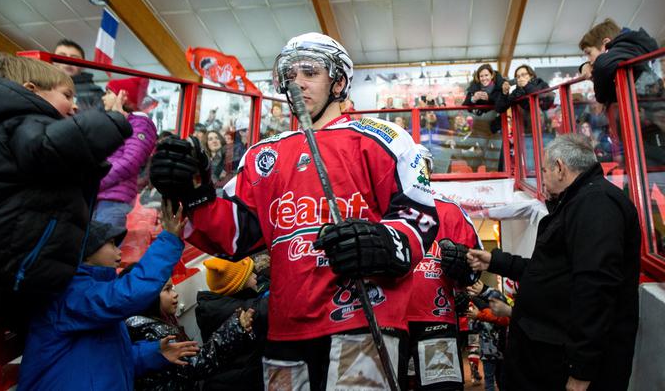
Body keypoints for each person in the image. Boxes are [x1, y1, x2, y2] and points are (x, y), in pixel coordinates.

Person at [149, 32, 439, 390]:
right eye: (289, 75)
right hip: (286, 327)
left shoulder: (382, 137)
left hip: (361, 319)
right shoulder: (262, 155)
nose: (296, 83)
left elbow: (419, 214)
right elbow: (236, 234)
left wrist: (384, 243)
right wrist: (195, 194)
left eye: (310, 72)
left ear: (339, 82)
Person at [467, 134, 641, 391]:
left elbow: (596, 288)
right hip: (544, 357)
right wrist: (495, 261)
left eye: (545, 171)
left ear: (560, 167)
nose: (543, 180)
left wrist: (581, 370)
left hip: (562, 366)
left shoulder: (596, 205)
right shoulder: (578, 202)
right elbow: (548, 273)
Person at [0, 54, 131, 337]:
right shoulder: (24, 122)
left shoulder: (20, 126)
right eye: (66, 95)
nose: (74, 105)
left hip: (5, 272)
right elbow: (53, 146)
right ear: (31, 89)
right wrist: (112, 123)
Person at [18, 203, 200, 390]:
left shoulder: (90, 293)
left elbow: (106, 360)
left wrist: (154, 353)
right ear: (86, 253)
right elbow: (129, 294)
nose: (119, 251)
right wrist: (168, 241)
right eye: (112, 244)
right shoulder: (71, 294)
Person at [405, 145, 482, 390]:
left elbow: (474, 267)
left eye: (420, 165)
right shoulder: (384, 208)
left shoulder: (450, 210)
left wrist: (462, 272)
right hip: (392, 321)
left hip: (435, 320)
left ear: (429, 169)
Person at [122, 262, 256, 391]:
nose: (175, 294)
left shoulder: (142, 326)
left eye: (172, 288)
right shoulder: (152, 332)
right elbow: (197, 364)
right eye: (167, 289)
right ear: (147, 297)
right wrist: (235, 326)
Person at [195, 257, 270, 391]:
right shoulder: (231, 310)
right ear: (238, 284)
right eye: (250, 274)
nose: (255, 276)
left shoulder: (216, 304)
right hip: (236, 383)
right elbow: (263, 308)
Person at [95, 77, 158, 228]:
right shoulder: (120, 121)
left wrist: (95, 181)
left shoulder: (140, 123)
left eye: (109, 92)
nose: (104, 97)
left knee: (101, 248)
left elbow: (130, 162)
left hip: (113, 200)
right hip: (103, 196)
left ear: (123, 96)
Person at [579, 18, 658, 105]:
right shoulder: (631, 48)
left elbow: (602, 65)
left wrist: (593, 72)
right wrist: (584, 66)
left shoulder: (625, 48)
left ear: (606, 44)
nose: (589, 60)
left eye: (589, 53)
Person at [53, 39, 104, 111]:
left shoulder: (95, 92)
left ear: (82, 66)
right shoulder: (41, 86)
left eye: (74, 59)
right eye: (61, 57)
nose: (67, 61)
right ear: (52, 62)